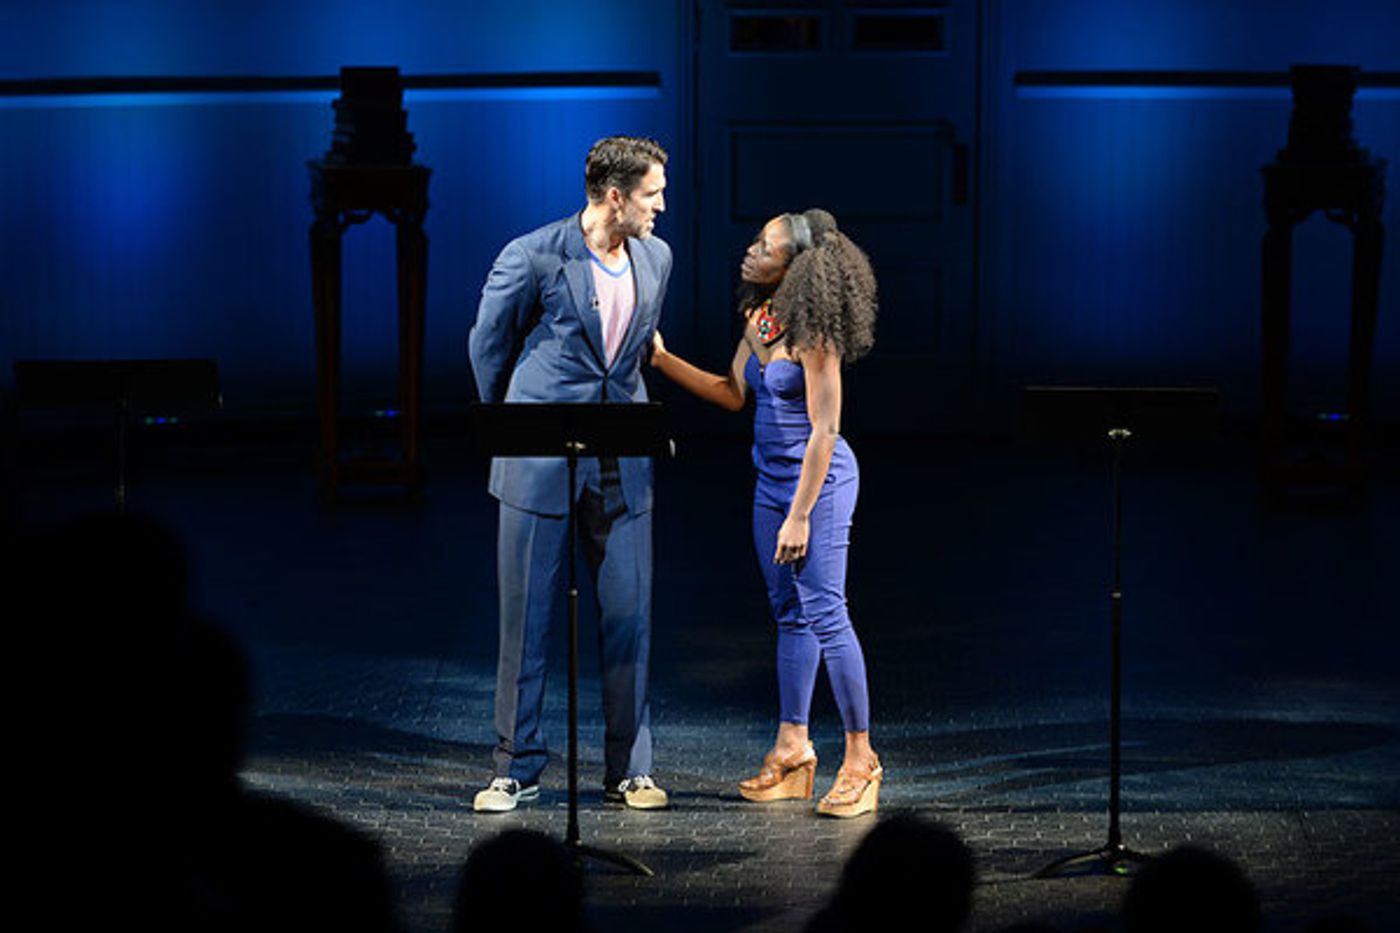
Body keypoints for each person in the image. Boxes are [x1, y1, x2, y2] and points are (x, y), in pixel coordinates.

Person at [650, 208, 880, 817]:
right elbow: (732, 393)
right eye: (755, 241)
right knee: (790, 614)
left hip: (819, 485)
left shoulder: (815, 336)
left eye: (766, 248)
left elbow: (826, 430)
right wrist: (662, 360)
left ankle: (861, 759)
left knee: (826, 612)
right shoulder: (761, 320)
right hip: (770, 484)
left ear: (795, 268)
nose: (751, 252)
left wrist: (800, 515)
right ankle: (793, 748)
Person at [468, 135, 672, 812]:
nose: (660, 206)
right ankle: (515, 767)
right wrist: (511, 427)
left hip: (622, 462)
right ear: (615, 197)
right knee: (527, 620)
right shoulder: (533, 255)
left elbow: (633, 354)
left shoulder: (657, 257)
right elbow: (488, 345)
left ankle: (630, 769)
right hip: (540, 458)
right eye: (651, 194)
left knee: (629, 617)